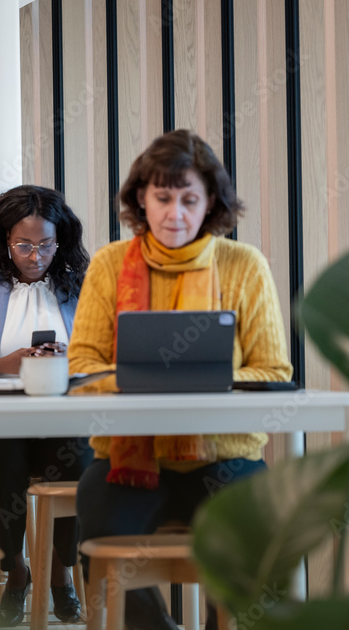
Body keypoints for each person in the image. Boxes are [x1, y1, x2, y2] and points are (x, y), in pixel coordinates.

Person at [68, 129, 293, 630]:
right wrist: (154, 381)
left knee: (259, 548)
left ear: (210, 202)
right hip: (127, 459)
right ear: (141, 200)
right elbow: (81, 366)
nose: (175, 214)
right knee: (101, 541)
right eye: (163, 198)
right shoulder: (108, 264)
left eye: (189, 200)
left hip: (225, 459)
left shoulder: (244, 265)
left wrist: (173, 381)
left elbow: (274, 371)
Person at [0, 185, 92, 626]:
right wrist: (5, 364)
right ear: (5, 241)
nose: (35, 255)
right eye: (24, 245)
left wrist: (72, 360)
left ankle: (60, 569)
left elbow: (106, 356)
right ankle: (18, 569)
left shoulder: (81, 289)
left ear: (60, 239)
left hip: (63, 419)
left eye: (46, 244)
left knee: (81, 458)